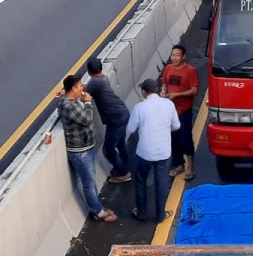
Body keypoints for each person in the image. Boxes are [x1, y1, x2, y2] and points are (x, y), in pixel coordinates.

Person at [57, 75, 116, 222]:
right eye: (79, 86)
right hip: (80, 152)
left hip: (86, 148)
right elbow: (86, 119)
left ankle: (97, 207)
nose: (82, 88)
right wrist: (88, 103)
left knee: (91, 180)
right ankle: (97, 212)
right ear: (73, 89)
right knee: (88, 183)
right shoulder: (68, 106)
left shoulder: (72, 99)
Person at [125, 77, 179, 222]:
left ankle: (141, 212)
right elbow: (176, 126)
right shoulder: (169, 104)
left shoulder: (139, 107)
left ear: (144, 92)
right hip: (163, 153)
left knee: (140, 181)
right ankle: (160, 215)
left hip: (144, 152)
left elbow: (130, 129)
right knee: (161, 183)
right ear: (156, 90)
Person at [85, 56, 131, 183]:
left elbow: (83, 93)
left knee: (108, 150)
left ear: (89, 71)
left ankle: (123, 173)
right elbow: (87, 87)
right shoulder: (102, 78)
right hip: (121, 114)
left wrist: (67, 92)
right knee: (121, 145)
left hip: (115, 120)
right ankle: (125, 167)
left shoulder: (94, 82)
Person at [161, 44, 200, 180]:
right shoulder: (168, 68)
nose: (174, 58)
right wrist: (163, 91)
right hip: (170, 111)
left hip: (184, 111)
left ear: (184, 56)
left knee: (185, 138)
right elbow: (165, 83)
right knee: (173, 139)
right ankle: (179, 164)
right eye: (173, 55)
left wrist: (177, 95)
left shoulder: (190, 71)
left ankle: (190, 167)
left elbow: (194, 90)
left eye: (177, 55)